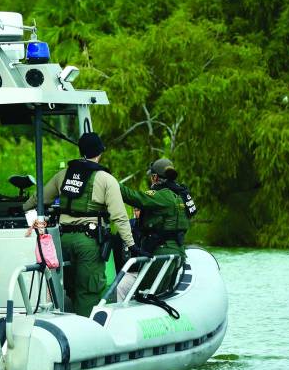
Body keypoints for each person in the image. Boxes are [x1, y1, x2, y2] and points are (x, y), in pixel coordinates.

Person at [23, 132, 135, 317]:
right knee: (88, 292)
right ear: (100, 152)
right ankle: (87, 335)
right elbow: (120, 217)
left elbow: (39, 198)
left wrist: (22, 208)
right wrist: (131, 245)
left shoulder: (63, 175)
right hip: (88, 244)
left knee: (69, 289)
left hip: (63, 240)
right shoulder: (106, 179)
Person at [117, 158, 196, 300]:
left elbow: (134, 197)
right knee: (160, 293)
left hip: (161, 251)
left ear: (155, 177)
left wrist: (111, 183)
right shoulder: (181, 194)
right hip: (177, 251)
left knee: (142, 293)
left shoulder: (162, 195)